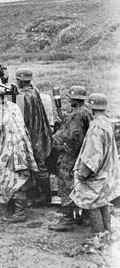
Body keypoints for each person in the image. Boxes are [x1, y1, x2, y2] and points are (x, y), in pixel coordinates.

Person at [0, 85, 39, 222]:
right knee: (20, 175)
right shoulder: (13, 106)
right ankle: (13, 206)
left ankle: (20, 213)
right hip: (22, 145)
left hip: (9, 147)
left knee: (12, 177)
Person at [69, 93, 120, 233]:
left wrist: (82, 173)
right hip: (105, 173)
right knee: (102, 202)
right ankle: (106, 233)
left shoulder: (96, 127)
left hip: (95, 175)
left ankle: (99, 236)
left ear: (91, 109)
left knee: (91, 205)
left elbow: (92, 156)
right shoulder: (107, 123)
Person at [49, 85, 93, 231]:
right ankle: (81, 216)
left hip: (72, 155)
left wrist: (60, 142)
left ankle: (67, 220)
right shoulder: (85, 110)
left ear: (74, 99)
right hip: (82, 154)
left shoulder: (78, 115)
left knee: (65, 184)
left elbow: (74, 136)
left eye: (70, 99)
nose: (69, 102)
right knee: (78, 184)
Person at [15, 68, 53, 205]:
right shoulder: (34, 91)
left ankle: (44, 197)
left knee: (38, 163)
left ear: (20, 81)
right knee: (40, 163)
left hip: (32, 133)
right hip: (41, 131)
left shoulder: (23, 96)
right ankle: (41, 193)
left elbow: (21, 119)